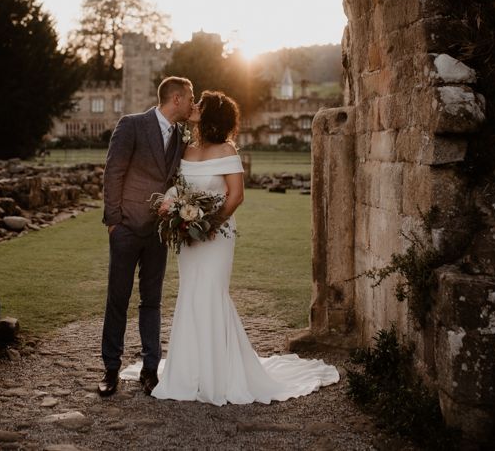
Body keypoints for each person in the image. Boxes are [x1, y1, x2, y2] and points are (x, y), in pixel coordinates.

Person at [120, 90, 338, 404]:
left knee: (211, 293)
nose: (194, 107)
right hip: (187, 236)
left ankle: (219, 374)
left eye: (200, 105)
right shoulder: (187, 148)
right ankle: (189, 370)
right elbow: (178, 186)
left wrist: (209, 224)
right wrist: (174, 209)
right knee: (190, 293)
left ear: (210, 115)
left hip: (215, 236)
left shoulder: (227, 150)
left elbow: (236, 195)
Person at [98, 76, 195, 397]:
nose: (193, 103)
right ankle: (110, 369)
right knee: (118, 299)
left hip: (158, 231)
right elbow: (113, 172)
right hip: (126, 228)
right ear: (177, 99)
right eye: (190, 98)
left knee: (151, 301)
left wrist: (197, 120)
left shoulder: (183, 135)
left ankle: (150, 370)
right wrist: (114, 222)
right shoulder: (132, 125)